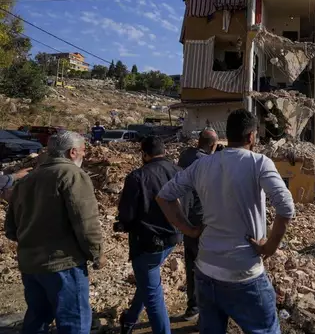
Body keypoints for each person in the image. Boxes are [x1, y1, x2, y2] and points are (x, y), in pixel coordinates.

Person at [156, 109, 296, 334]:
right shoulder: (259, 163)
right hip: (244, 273)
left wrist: (189, 230)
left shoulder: (202, 165)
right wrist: (269, 247)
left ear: (227, 135)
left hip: (206, 272)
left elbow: (164, 196)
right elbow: (286, 207)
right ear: (251, 136)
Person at [5, 132, 104, 334]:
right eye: (84, 151)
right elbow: (85, 222)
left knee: (37, 319)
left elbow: (11, 228)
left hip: (31, 264)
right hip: (63, 264)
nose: (85, 155)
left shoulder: (27, 180)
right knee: (74, 323)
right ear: (72, 152)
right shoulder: (72, 175)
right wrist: (96, 252)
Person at [116, 136, 186, 334]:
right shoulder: (179, 172)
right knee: (148, 281)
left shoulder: (137, 176)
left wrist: (123, 224)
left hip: (147, 243)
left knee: (154, 295)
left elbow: (127, 214)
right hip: (173, 238)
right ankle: (130, 319)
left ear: (144, 154)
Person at [176, 127, 220, 322]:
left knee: (191, 263)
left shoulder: (185, 156)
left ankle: (192, 307)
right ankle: (206, 313)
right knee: (208, 267)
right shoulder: (207, 162)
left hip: (187, 219)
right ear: (212, 145)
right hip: (204, 220)